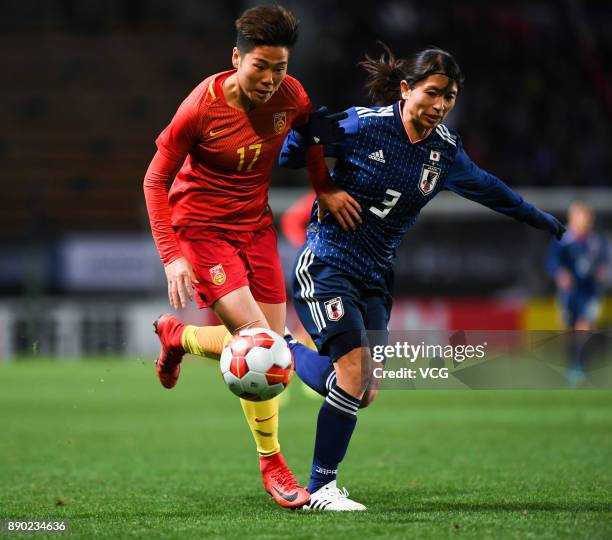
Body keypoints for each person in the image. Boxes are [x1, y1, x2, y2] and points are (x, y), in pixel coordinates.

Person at [278, 45, 566, 511]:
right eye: (432, 93)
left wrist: (540, 219)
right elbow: (293, 150)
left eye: (449, 96)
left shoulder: (444, 151)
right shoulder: (362, 124)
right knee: (352, 374)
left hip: (375, 276)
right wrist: (324, 184)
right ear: (407, 88)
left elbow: (491, 189)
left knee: (365, 390)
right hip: (329, 262)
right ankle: (319, 488)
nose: (440, 105)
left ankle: (282, 349)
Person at [142, 5, 361, 509]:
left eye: (279, 67)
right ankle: (273, 464)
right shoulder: (200, 107)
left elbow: (308, 139)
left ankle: (179, 336)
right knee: (261, 345)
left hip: (256, 226)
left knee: (275, 344)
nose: (269, 79)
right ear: (236, 57)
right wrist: (172, 256)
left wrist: (323, 187)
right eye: (260, 66)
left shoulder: (292, 96)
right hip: (201, 230)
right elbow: (155, 179)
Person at [547, 202, 607, 383]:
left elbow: (604, 262)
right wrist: (560, 274)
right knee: (568, 329)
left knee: (585, 327)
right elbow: (552, 262)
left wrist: (602, 271)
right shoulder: (563, 240)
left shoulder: (596, 241)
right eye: (580, 217)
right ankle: (571, 362)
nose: (584, 221)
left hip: (589, 292)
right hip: (569, 293)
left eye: (586, 217)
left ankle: (580, 366)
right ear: (572, 219)